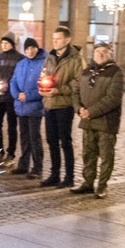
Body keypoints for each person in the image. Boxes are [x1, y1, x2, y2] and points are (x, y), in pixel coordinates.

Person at [69, 43, 125, 199]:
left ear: (110, 54)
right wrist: (78, 108)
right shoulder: (86, 71)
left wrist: (91, 111)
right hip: (87, 121)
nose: (100, 54)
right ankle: (87, 183)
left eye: (104, 52)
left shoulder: (116, 72)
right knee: (88, 154)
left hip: (106, 122)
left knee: (106, 156)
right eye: (97, 52)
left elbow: (113, 98)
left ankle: (102, 186)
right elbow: (75, 91)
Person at [39, 27, 87, 189]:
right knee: (51, 141)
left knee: (65, 141)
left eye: (58, 39)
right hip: (49, 104)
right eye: (53, 39)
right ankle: (54, 174)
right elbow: (43, 75)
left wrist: (59, 90)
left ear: (67, 40)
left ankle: (69, 176)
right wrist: (42, 87)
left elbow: (79, 82)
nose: (55, 42)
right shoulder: (50, 57)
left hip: (64, 105)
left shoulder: (76, 59)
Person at [10, 38, 47, 179]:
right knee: (24, 136)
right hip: (21, 106)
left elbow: (44, 84)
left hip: (35, 107)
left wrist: (28, 96)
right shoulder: (21, 64)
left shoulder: (43, 63)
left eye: (32, 48)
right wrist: (17, 94)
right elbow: (13, 81)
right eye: (27, 49)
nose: (30, 51)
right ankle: (23, 165)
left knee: (34, 137)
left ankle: (38, 167)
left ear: (37, 48)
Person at [0, 34, 22, 166]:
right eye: (2, 43)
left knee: (12, 127)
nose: (4, 45)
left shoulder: (19, 58)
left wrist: (10, 86)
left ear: (13, 44)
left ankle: (11, 153)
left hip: (11, 97)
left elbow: (19, 77)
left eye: (7, 43)